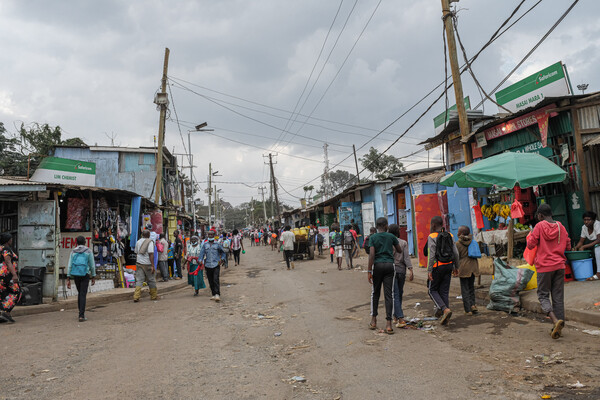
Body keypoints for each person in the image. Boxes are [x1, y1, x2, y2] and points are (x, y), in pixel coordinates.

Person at [527, 204, 571, 339]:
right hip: (559, 266)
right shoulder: (560, 226)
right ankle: (559, 327)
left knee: (543, 295)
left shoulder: (539, 226)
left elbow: (530, 245)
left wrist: (531, 236)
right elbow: (568, 245)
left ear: (540, 215)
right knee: (558, 297)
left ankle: (554, 320)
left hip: (544, 267)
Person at [367, 217, 403, 334]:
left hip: (377, 266)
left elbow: (371, 254)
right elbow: (399, 250)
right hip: (389, 266)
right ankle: (389, 324)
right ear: (386, 226)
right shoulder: (391, 237)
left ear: (377, 226)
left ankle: (373, 320)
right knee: (389, 294)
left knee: (375, 293)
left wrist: (369, 271)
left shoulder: (373, 237)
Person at [427, 216, 459, 326]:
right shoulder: (450, 235)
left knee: (432, 290)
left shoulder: (432, 236)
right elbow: (456, 253)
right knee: (444, 291)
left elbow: (431, 255)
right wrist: (456, 267)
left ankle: (445, 310)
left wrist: (429, 270)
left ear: (433, 225)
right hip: (449, 265)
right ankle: (445, 315)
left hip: (437, 267)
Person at [388, 224, 413, 328]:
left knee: (396, 294)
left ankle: (399, 317)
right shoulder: (403, 242)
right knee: (399, 293)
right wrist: (411, 270)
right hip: (402, 271)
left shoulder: (388, 242)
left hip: (392, 270)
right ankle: (397, 316)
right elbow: (406, 258)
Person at [66, 236, 96, 322]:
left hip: (76, 275)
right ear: (85, 242)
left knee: (80, 293)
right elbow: (92, 265)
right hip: (85, 274)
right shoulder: (88, 251)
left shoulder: (73, 252)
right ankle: (81, 315)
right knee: (83, 294)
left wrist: (68, 277)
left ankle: (80, 313)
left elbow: (69, 265)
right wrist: (93, 276)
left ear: (76, 243)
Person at [455, 226, 480, 316]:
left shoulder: (458, 244)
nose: (457, 233)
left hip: (464, 268)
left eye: (458, 231)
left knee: (464, 289)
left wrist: (455, 268)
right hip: (473, 267)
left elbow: (456, 257)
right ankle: (473, 305)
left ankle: (468, 310)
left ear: (461, 234)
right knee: (471, 287)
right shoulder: (473, 241)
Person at [198, 229, 226, 302]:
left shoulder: (217, 244)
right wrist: (200, 260)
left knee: (215, 279)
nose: (210, 236)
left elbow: (223, 253)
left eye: (211, 234)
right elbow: (201, 253)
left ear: (214, 235)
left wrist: (222, 259)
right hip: (207, 265)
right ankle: (213, 293)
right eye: (209, 235)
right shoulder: (205, 245)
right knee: (210, 280)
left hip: (216, 264)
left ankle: (217, 294)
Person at [133, 230, 159, 302]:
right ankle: (153, 296)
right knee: (151, 280)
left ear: (142, 235)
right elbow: (151, 254)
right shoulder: (150, 242)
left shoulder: (138, 242)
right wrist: (153, 265)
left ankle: (136, 296)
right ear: (149, 235)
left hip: (139, 263)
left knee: (139, 280)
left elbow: (136, 252)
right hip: (147, 264)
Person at [0, 233, 20, 323]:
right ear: (8, 241)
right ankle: (6, 312)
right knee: (17, 292)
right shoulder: (6, 249)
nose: (12, 241)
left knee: (3, 294)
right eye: (11, 239)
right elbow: (8, 262)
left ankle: (2, 315)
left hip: (1, 276)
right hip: (6, 276)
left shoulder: (0, 248)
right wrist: (14, 275)